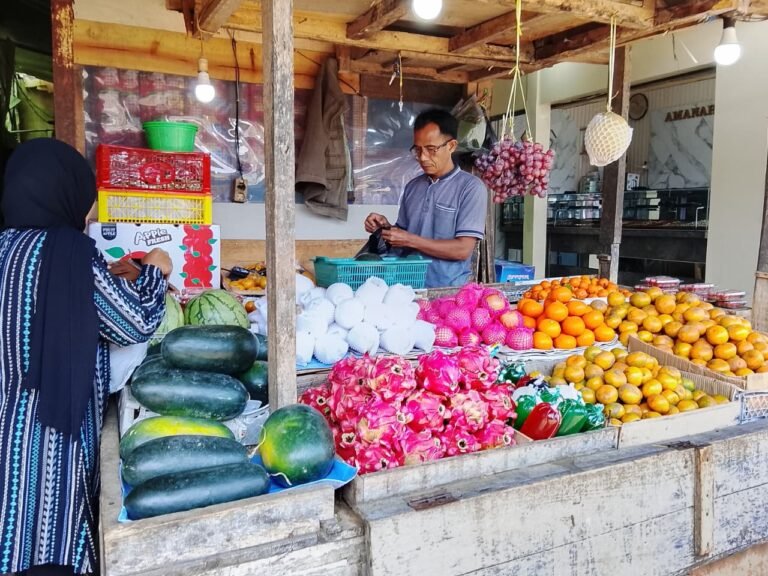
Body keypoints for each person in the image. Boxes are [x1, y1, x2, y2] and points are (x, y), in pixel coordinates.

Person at [0, 138, 172, 576]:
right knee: (45, 547)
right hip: (46, 445)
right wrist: (155, 270)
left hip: (6, 430)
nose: (88, 215)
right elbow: (134, 322)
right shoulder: (68, 252)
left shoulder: (5, 248)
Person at [364, 108, 488, 288]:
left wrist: (409, 239)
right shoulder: (413, 187)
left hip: (447, 293)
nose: (422, 157)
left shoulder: (471, 188)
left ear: (451, 146)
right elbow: (403, 241)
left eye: (431, 149)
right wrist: (386, 229)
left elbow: (462, 250)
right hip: (407, 288)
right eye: (418, 150)